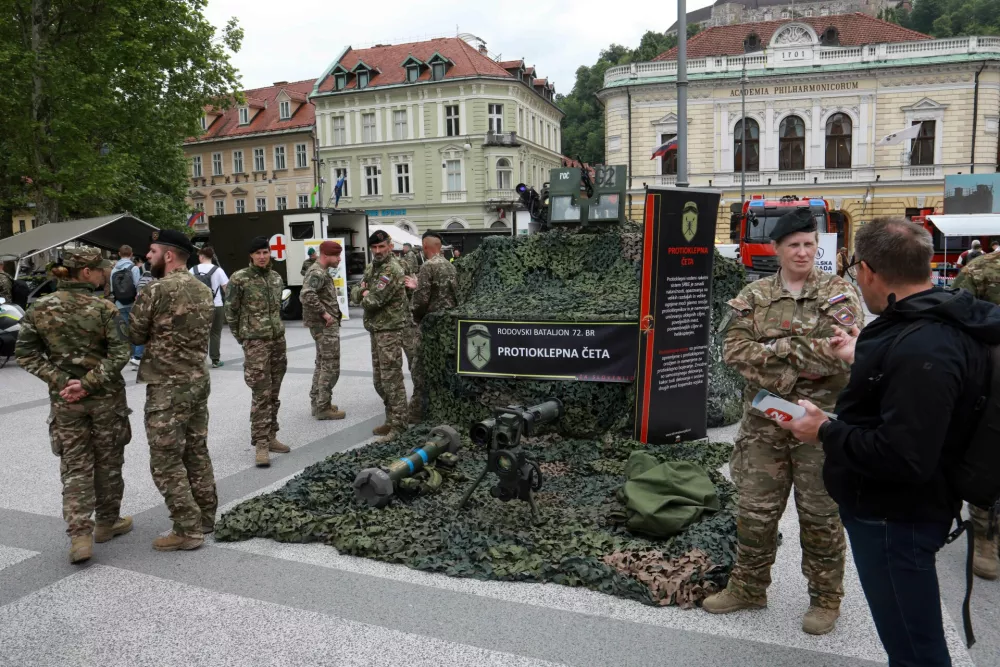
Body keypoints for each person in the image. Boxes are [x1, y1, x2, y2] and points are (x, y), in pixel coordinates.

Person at [778, 217, 1000, 666]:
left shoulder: (922, 346)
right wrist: (863, 353)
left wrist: (823, 429)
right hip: (916, 506)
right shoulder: (938, 316)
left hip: (894, 518)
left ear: (867, 272)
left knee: (914, 648)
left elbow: (902, 457)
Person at [702, 208, 863, 636]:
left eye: (810, 244)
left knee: (820, 515)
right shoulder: (753, 295)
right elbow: (734, 351)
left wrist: (773, 349)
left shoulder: (838, 293)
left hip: (819, 426)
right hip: (763, 424)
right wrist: (798, 363)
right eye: (794, 245)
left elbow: (839, 353)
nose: (803, 251)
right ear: (777, 249)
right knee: (754, 511)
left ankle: (826, 599)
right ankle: (749, 587)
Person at [15, 247, 132, 563]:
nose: (104, 274)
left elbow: (26, 354)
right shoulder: (104, 308)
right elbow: (121, 354)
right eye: (100, 270)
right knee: (108, 462)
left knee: (75, 466)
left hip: (66, 403)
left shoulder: (40, 308)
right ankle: (107, 523)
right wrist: (89, 383)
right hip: (106, 400)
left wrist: (62, 381)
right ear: (86, 273)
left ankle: (80, 535)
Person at [129, 229, 217, 551]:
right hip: (196, 381)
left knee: (165, 459)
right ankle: (206, 517)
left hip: (167, 386)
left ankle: (187, 528)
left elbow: (136, 334)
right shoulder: (203, 289)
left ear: (168, 255)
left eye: (152, 252)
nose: (148, 257)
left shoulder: (156, 290)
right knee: (196, 451)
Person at [952, 247, 1000, 580]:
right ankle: (985, 537)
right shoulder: (979, 271)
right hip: (991, 378)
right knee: (989, 454)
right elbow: (957, 319)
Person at [226, 236, 289, 467]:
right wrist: (243, 339)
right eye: (258, 253)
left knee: (274, 393)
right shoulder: (239, 279)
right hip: (256, 344)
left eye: (265, 252)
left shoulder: (275, 278)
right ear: (251, 256)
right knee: (260, 394)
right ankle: (261, 444)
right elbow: (231, 312)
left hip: (277, 342)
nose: (262, 257)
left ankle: (271, 435)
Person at [350, 230, 408, 439]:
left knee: (392, 379)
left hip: (390, 330)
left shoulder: (392, 270)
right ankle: (391, 419)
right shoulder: (372, 267)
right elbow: (355, 292)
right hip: (376, 329)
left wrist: (364, 292)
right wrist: (362, 291)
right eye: (374, 248)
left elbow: (373, 301)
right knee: (379, 380)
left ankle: (399, 425)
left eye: (381, 247)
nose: (377, 251)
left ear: (390, 246)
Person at [404, 231, 459, 422]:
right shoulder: (450, 266)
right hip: (448, 327)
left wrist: (417, 318)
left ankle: (417, 412)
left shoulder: (428, 267)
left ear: (425, 246)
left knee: (419, 368)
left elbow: (421, 300)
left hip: (430, 326)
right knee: (443, 368)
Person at [300, 241, 345, 420]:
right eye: (337, 256)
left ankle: (318, 402)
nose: (339, 259)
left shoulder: (318, 270)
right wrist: (325, 314)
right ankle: (323, 407)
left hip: (322, 327)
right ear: (326, 255)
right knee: (330, 366)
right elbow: (306, 294)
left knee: (321, 364)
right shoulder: (317, 271)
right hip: (325, 327)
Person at [190, 246, 229, 368]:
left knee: (200, 333)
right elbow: (226, 288)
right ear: (211, 257)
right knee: (215, 333)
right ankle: (215, 360)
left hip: (198, 307)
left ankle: (199, 360)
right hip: (216, 305)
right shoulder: (218, 270)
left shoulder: (193, 269)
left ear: (201, 256)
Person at [111, 245, 143, 364]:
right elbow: (137, 286)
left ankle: (129, 354)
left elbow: (111, 287)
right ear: (131, 254)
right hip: (132, 302)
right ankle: (136, 355)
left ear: (119, 254)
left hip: (119, 302)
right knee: (136, 327)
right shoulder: (134, 268)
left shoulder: (114, 269)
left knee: (125, 329)